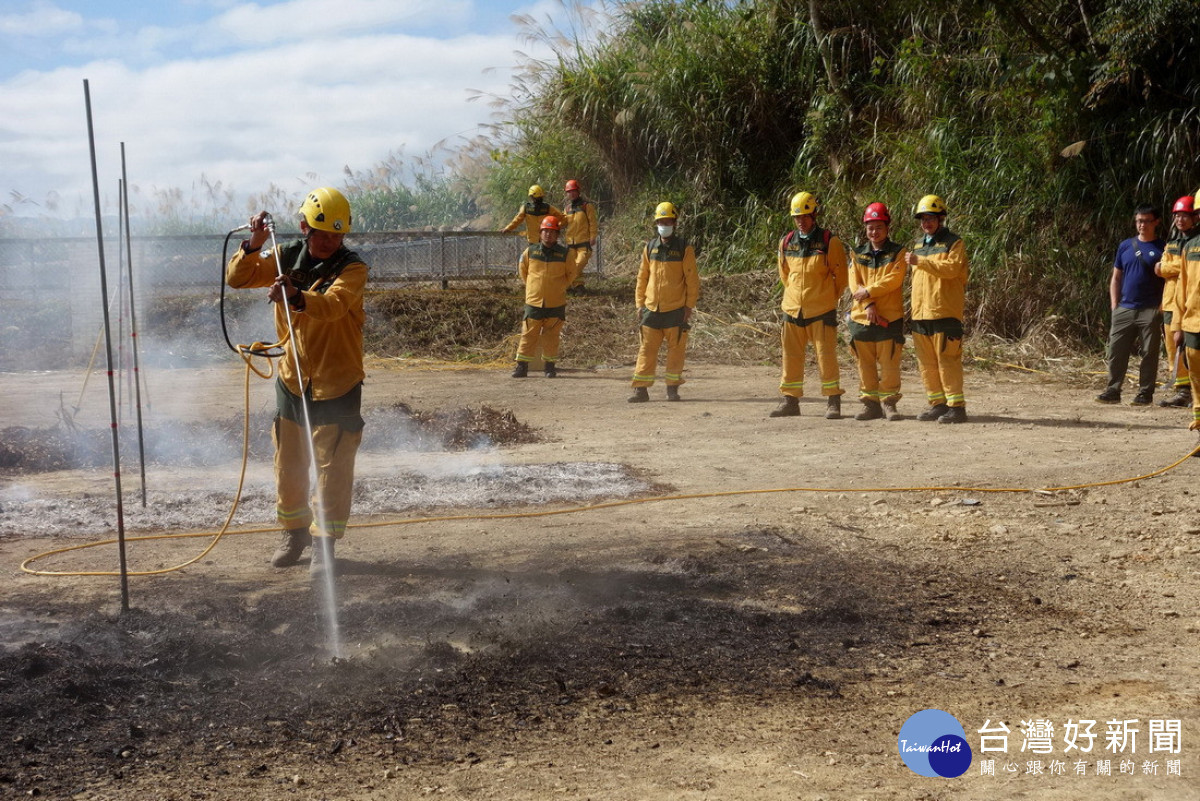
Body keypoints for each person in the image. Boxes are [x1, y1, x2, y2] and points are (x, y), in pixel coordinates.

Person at [226, 187, 367, 573]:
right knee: (288, 464)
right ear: (305, 227)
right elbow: (239, 278)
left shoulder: (353, 268)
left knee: (331, 467)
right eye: (321, 233)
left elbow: (335, 305)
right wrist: (254, 244)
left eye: (336, 235)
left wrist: (297, 296)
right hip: (293, 380)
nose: (328, 242)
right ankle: (295, 532)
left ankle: (324, 543)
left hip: (336, 381)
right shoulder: (285, 254)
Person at [769, 191, 848, 419]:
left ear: (814, 215)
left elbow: (840, 278)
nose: (801, 221)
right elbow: (785, 274)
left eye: (805, 216)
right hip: (792, 309)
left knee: (826, 356)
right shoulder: (786, 242)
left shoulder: (828, 242)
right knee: (791, 356)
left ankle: (833, 400)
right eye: (797, 217)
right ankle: (790, 401)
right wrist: (795, 298)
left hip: (821, 311)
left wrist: (824, 299)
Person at [906, 194, 970, 424]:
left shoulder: (954, 243)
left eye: (931, 218)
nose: (926, 223)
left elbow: (951, 269)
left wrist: (920, 261)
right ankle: (937, 404)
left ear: (941, 218)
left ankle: (956, 407)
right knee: (927, 363)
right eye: (923, 219)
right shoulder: (918, 245)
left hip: (944, 312)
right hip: (921, 314)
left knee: (948, 361)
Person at [629, 202, 700, 403]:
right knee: (646, 350)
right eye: (660, 221)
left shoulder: (684, 248)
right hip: (651, 308)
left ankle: (672, 389)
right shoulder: (650, 247)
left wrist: (688, 307)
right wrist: (639, 304)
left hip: (675, 309)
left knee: (676, 351)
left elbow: (692, 280)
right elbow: (642, 278)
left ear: (675, 223)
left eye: (667, 220)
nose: (664, 224)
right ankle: (640, 390)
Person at [1095, 205, 1165, 405]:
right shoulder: (1126, 246)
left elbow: (1170, 281)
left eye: (1146, 221)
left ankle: (1145, 393)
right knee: (1116, 350)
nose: (1142, 225)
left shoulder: (1163, 248)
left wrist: (1160, 306)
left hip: (1150, 309)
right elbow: (1116, 278)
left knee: (1149, 353)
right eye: (1139, 221)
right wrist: (1115, 305)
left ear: (1156, 222)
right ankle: (1113, 389)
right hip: (1124, 308)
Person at [847, 202, 907, 420]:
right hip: (861, 318)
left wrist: (869, 292)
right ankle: (870, 404)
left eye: (878, 227)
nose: (874, 232)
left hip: (889, 318)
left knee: (890, 362)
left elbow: (893, 280)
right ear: (865, 229)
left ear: (887, 227)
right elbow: (854, 283)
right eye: (870, 227)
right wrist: (869, 305)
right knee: (865, 363)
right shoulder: (857, 253)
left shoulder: (898, 253)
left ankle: (889, 403)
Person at [511, 216, 580, 378]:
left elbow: (572, 274)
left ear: (557, 235)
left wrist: (559, 287)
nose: (548, 235)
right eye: (546, 232)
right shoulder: (530, 251)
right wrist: (533, 287)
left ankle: (549, 367)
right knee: (528, 335)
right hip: (534, 302)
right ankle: (521, 367)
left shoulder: (565, 254)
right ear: (540, 233)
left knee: (551, 337)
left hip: (556, 303)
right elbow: (523, 271)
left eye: (552, 232)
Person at [1156, 196, 1196, 407]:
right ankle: (1182, 392)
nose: (1180, 220)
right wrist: (1166, 268)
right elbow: (1160, 267)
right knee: (1173, 349)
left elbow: (1167, 268)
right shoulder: (1172, 243)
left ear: (1194, 217)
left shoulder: (1196, 244)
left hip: (1192, 304)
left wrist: (1167, 268)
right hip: (1170, 303)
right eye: (1177, 216)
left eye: (1185, 216)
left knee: (1193, 351)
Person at [1168, 197, 1200, 435]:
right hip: (1194, 324)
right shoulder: (1192, 246)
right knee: (1197, 380)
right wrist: (1178, 325)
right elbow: (1182, 288)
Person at [562, 179, 598, 289]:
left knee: (578, 265)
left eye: (573, 191)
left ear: (578, 191)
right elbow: (563, 223)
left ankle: (565, 285)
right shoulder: (567, 209)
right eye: (569, 191)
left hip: (584, 243)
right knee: (571, 266)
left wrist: (593, 237)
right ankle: (579, 286)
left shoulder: (586, 206)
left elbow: (593, 223)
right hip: (570, 244)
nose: (571, 194)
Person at [501, 185, 567, 244]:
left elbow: (563, 218)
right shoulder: (526, 208)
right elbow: (517, 220)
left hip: (545, 242)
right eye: (537, 198)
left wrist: (556, 227)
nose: (538, 199)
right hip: (534, 242)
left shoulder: (548, 208)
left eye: (539, 198)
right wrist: (508, 228)